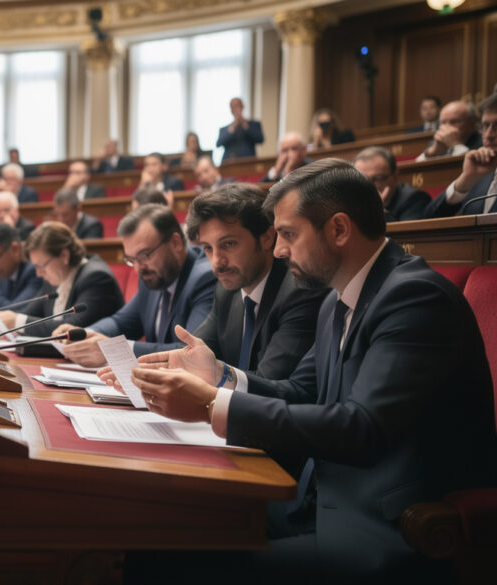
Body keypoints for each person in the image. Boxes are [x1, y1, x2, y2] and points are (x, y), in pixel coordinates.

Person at [125, 158, 496, 583]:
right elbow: (300, 391)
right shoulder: (334, 299)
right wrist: (220, 378)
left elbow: (363, 427)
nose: (279, 250)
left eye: (287, 234)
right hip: (317, 505)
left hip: (382, 528)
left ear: (338, 229)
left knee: (170, 564)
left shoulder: (414, 297)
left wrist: (212, 404)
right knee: (152, 533)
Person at [185, 183, 327, 379]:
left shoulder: (299, 291)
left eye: (229, 244)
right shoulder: (226, 289)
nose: (217, 262)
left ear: (267, 238)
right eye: (208, 248)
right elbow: (193, 355)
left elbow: (269, 382)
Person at [53, 204, 216, 366]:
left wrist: (114, 349)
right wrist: (84, 334)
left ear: (175, 243)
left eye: (145, 255)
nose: (138, 268)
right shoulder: (153, 276)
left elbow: (192, 352)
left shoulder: (204, 279)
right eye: (131, 259)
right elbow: (121, 322)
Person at [0, 221, 123, 336]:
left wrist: (16, 321)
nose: (38, 273)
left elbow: (69, 328)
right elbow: (26, 314)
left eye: (41, 266)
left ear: (64, 255)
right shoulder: (54, 277)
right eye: (36, 267)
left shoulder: (96, 279)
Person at [424, 93, 497, 217]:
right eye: (485, 126)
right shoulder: (480, 173)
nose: (489, 135)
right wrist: (466, 179)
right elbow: (428, 219)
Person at [353, 146, 430, 222]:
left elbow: (406, 233)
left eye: (378, 178)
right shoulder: (353, 201)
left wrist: (378, 210)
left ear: (395, 176)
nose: (368, 185)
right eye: (362, 179)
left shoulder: (414, 199)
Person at [416, 100, 482, 161]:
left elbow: (471, 166)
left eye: (454, 122)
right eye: (443, 122)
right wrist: (432, 152)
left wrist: (456, 145)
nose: (447, 127)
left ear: (473, 123)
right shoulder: (438, 143)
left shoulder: (483, 142)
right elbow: (416, 168)